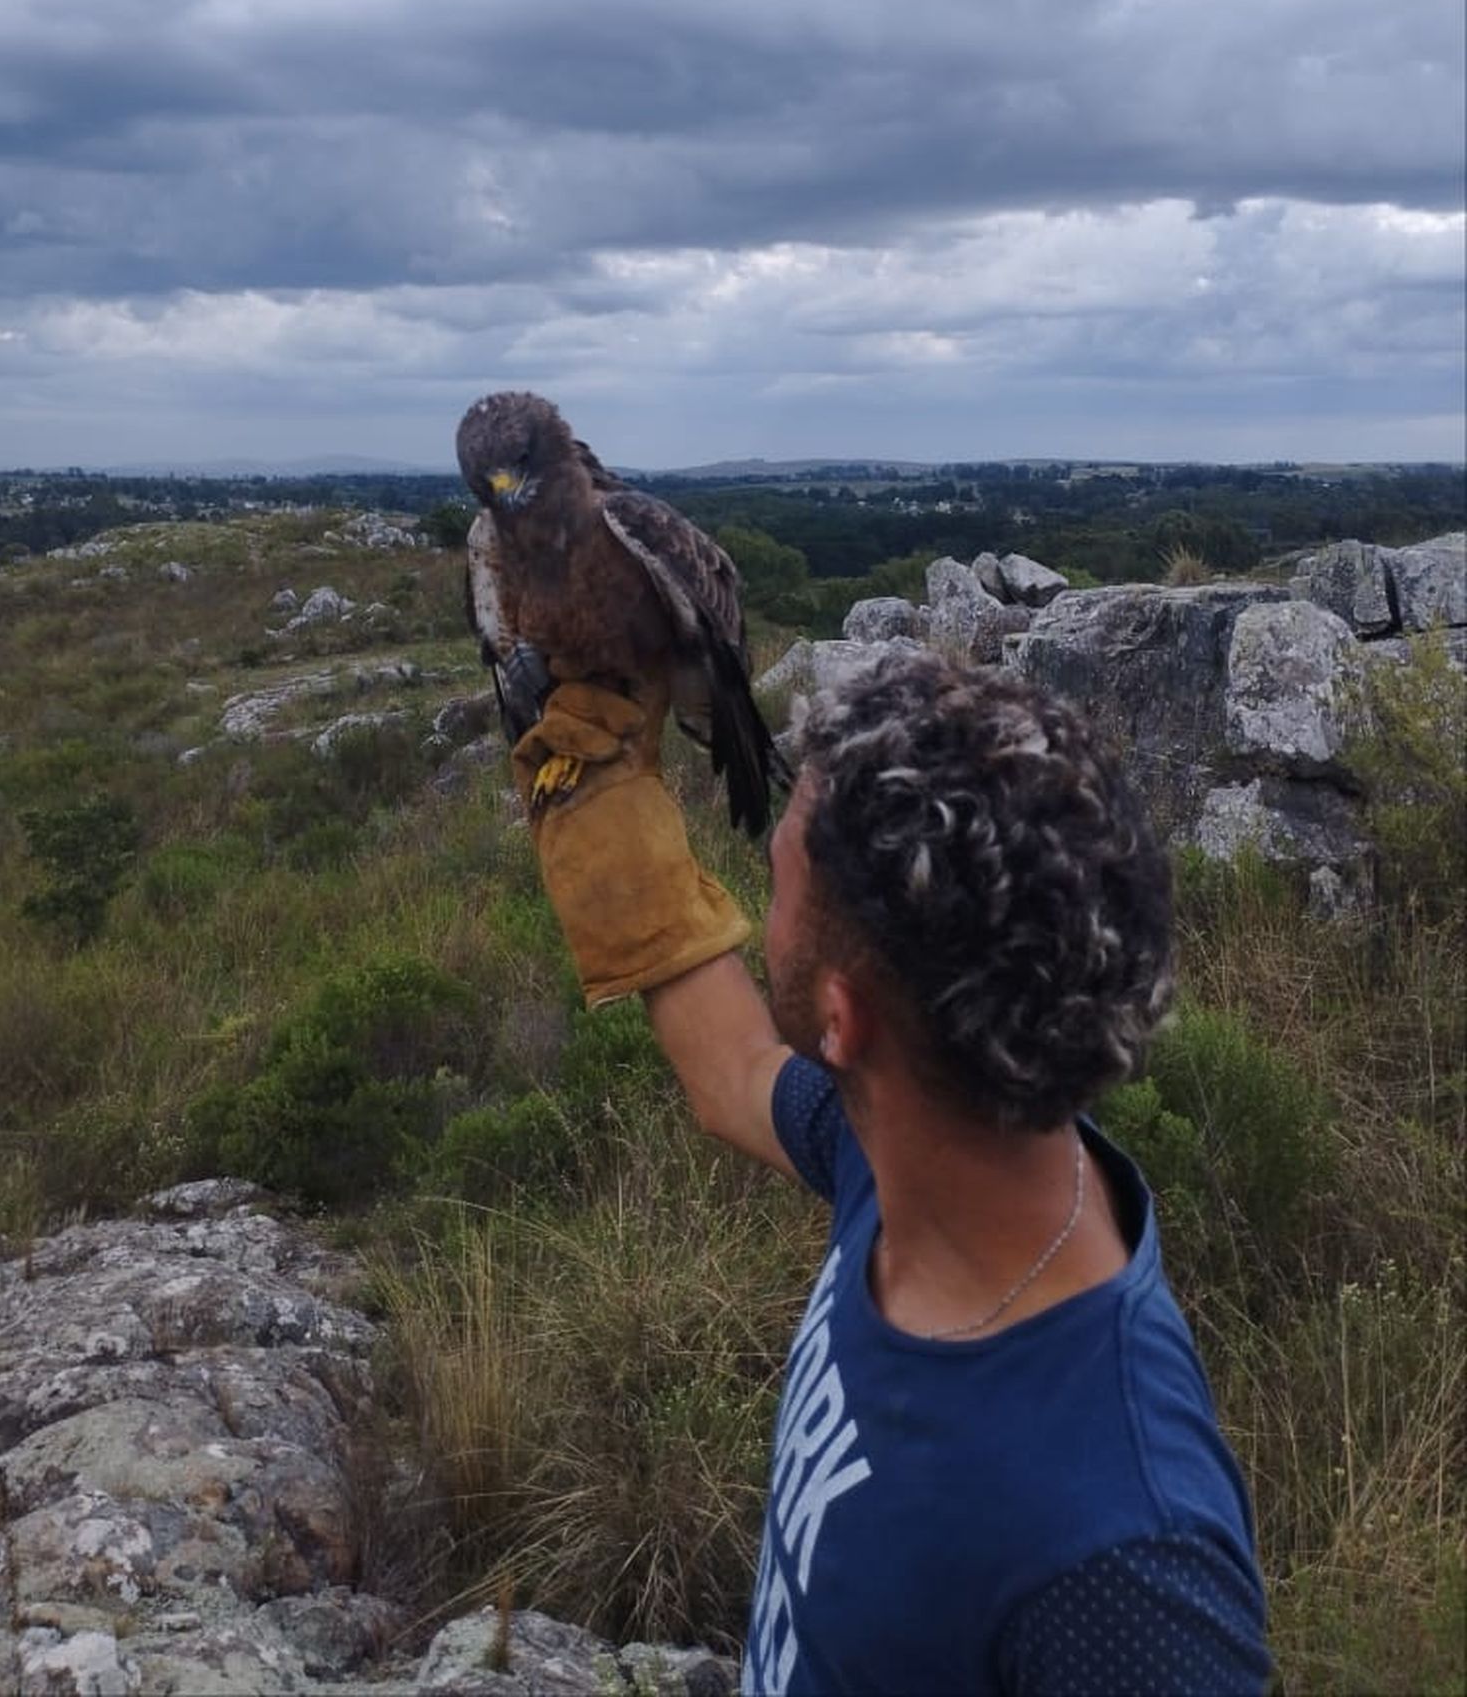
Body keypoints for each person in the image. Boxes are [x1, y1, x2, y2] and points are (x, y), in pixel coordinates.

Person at [511, 650, 1271, 1696]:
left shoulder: (1126, 1555)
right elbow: (734, 1073)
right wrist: (603, 817)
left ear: (842, 1017)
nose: (761, 907)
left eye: (774, 883)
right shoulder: (918, 1153)